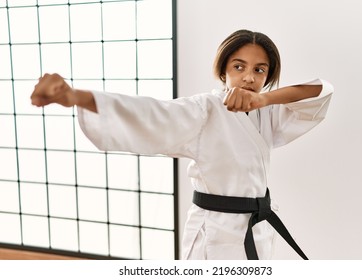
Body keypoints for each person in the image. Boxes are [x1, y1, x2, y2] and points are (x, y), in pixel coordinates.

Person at [31, 29, 333, 260]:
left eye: (259, 70)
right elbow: (152, 114)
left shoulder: (266, 112)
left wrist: (263, 98)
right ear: (223, 71)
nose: (248, 77)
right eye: (239, 67)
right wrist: (77, 97)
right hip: (215, 234)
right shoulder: (204, 109)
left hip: (257, 228)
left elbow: (321, 91)